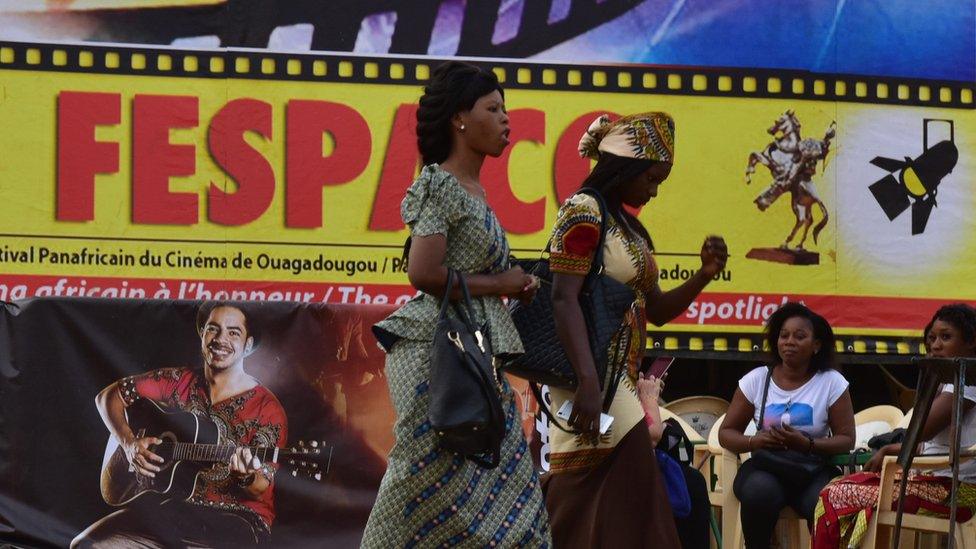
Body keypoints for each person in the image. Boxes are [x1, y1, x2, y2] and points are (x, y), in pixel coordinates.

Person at [363, 61, 551, 547]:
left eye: (505, 108)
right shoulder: (441, 184)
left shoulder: (475, 191)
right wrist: (502, 282)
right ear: (459, 120)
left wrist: (515, 283)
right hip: (435, 352)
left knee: (500, 477)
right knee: (422, 478)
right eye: (493, 108)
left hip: (470, 351)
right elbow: (423, 272)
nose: (506, 119)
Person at [543, 112, 728, 548]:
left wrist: (704, 274)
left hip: (617, 380)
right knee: (616, 487)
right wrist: (588, 380)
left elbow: (658, 310)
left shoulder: (627, 227)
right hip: (588, 376)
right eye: (650, 176)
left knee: (607, 494)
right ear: (623, 168)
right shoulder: (582, 211)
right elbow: (561, 298)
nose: (654, 189)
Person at [72, 302, 288, 548]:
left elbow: (261, 488)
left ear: (248, 345)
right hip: (169, 508)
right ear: (202, 335)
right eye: (213, 329)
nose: (220, 339)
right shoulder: (178, 381)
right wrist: (129, 442)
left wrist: (246, 477)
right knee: (86, 545)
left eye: (233, 332)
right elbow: (108, 397)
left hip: (238, 520)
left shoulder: (267, 408)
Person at [812, 304, 976, 548]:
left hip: (958, 491)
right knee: (840, 491)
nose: (935, 346)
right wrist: (890, 449)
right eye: (931, 339)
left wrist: (894, 448)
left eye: (946, 337)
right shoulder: (948, 384)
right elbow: (930, 444)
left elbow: (922, 431)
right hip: (932, 478)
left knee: (836, 496)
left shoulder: (967, 382)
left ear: (971, 342)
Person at [719, 302, 855, 549]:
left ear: (816, 345)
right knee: (759, 492)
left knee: (825, 501)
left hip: (812, 469)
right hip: (767, 467)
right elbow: (726, 433)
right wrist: (754, 441)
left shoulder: (831, 382)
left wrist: (808, 444)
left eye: (799, 336)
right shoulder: (757, 379)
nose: (789, 341)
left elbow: (847, 439)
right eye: (784, 335)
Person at [637, 373, 712, 549]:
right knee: (688, 483)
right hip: (622, 471)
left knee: (689, 480)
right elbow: (652, 436)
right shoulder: (606, 382)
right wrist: (649, 398)